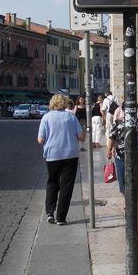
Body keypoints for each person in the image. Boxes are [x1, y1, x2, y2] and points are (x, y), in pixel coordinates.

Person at [37, 94, 85, 225]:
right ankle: (61, 217)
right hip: (70, 155)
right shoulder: (71, 117)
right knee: (67, 186)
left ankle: (50, 212)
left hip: (52, 155)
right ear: (64, 103)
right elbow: (81, 137)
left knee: (52, 182)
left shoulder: (46, 117)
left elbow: (40, 140)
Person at [107, 102, 138, 204]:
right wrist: (109, 149)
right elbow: (112, 136)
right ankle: (128, 198)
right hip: (122, 154)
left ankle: (133, 197)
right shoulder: (118, 121)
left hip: (134, 154)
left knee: (132, 176)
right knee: (124, 177)